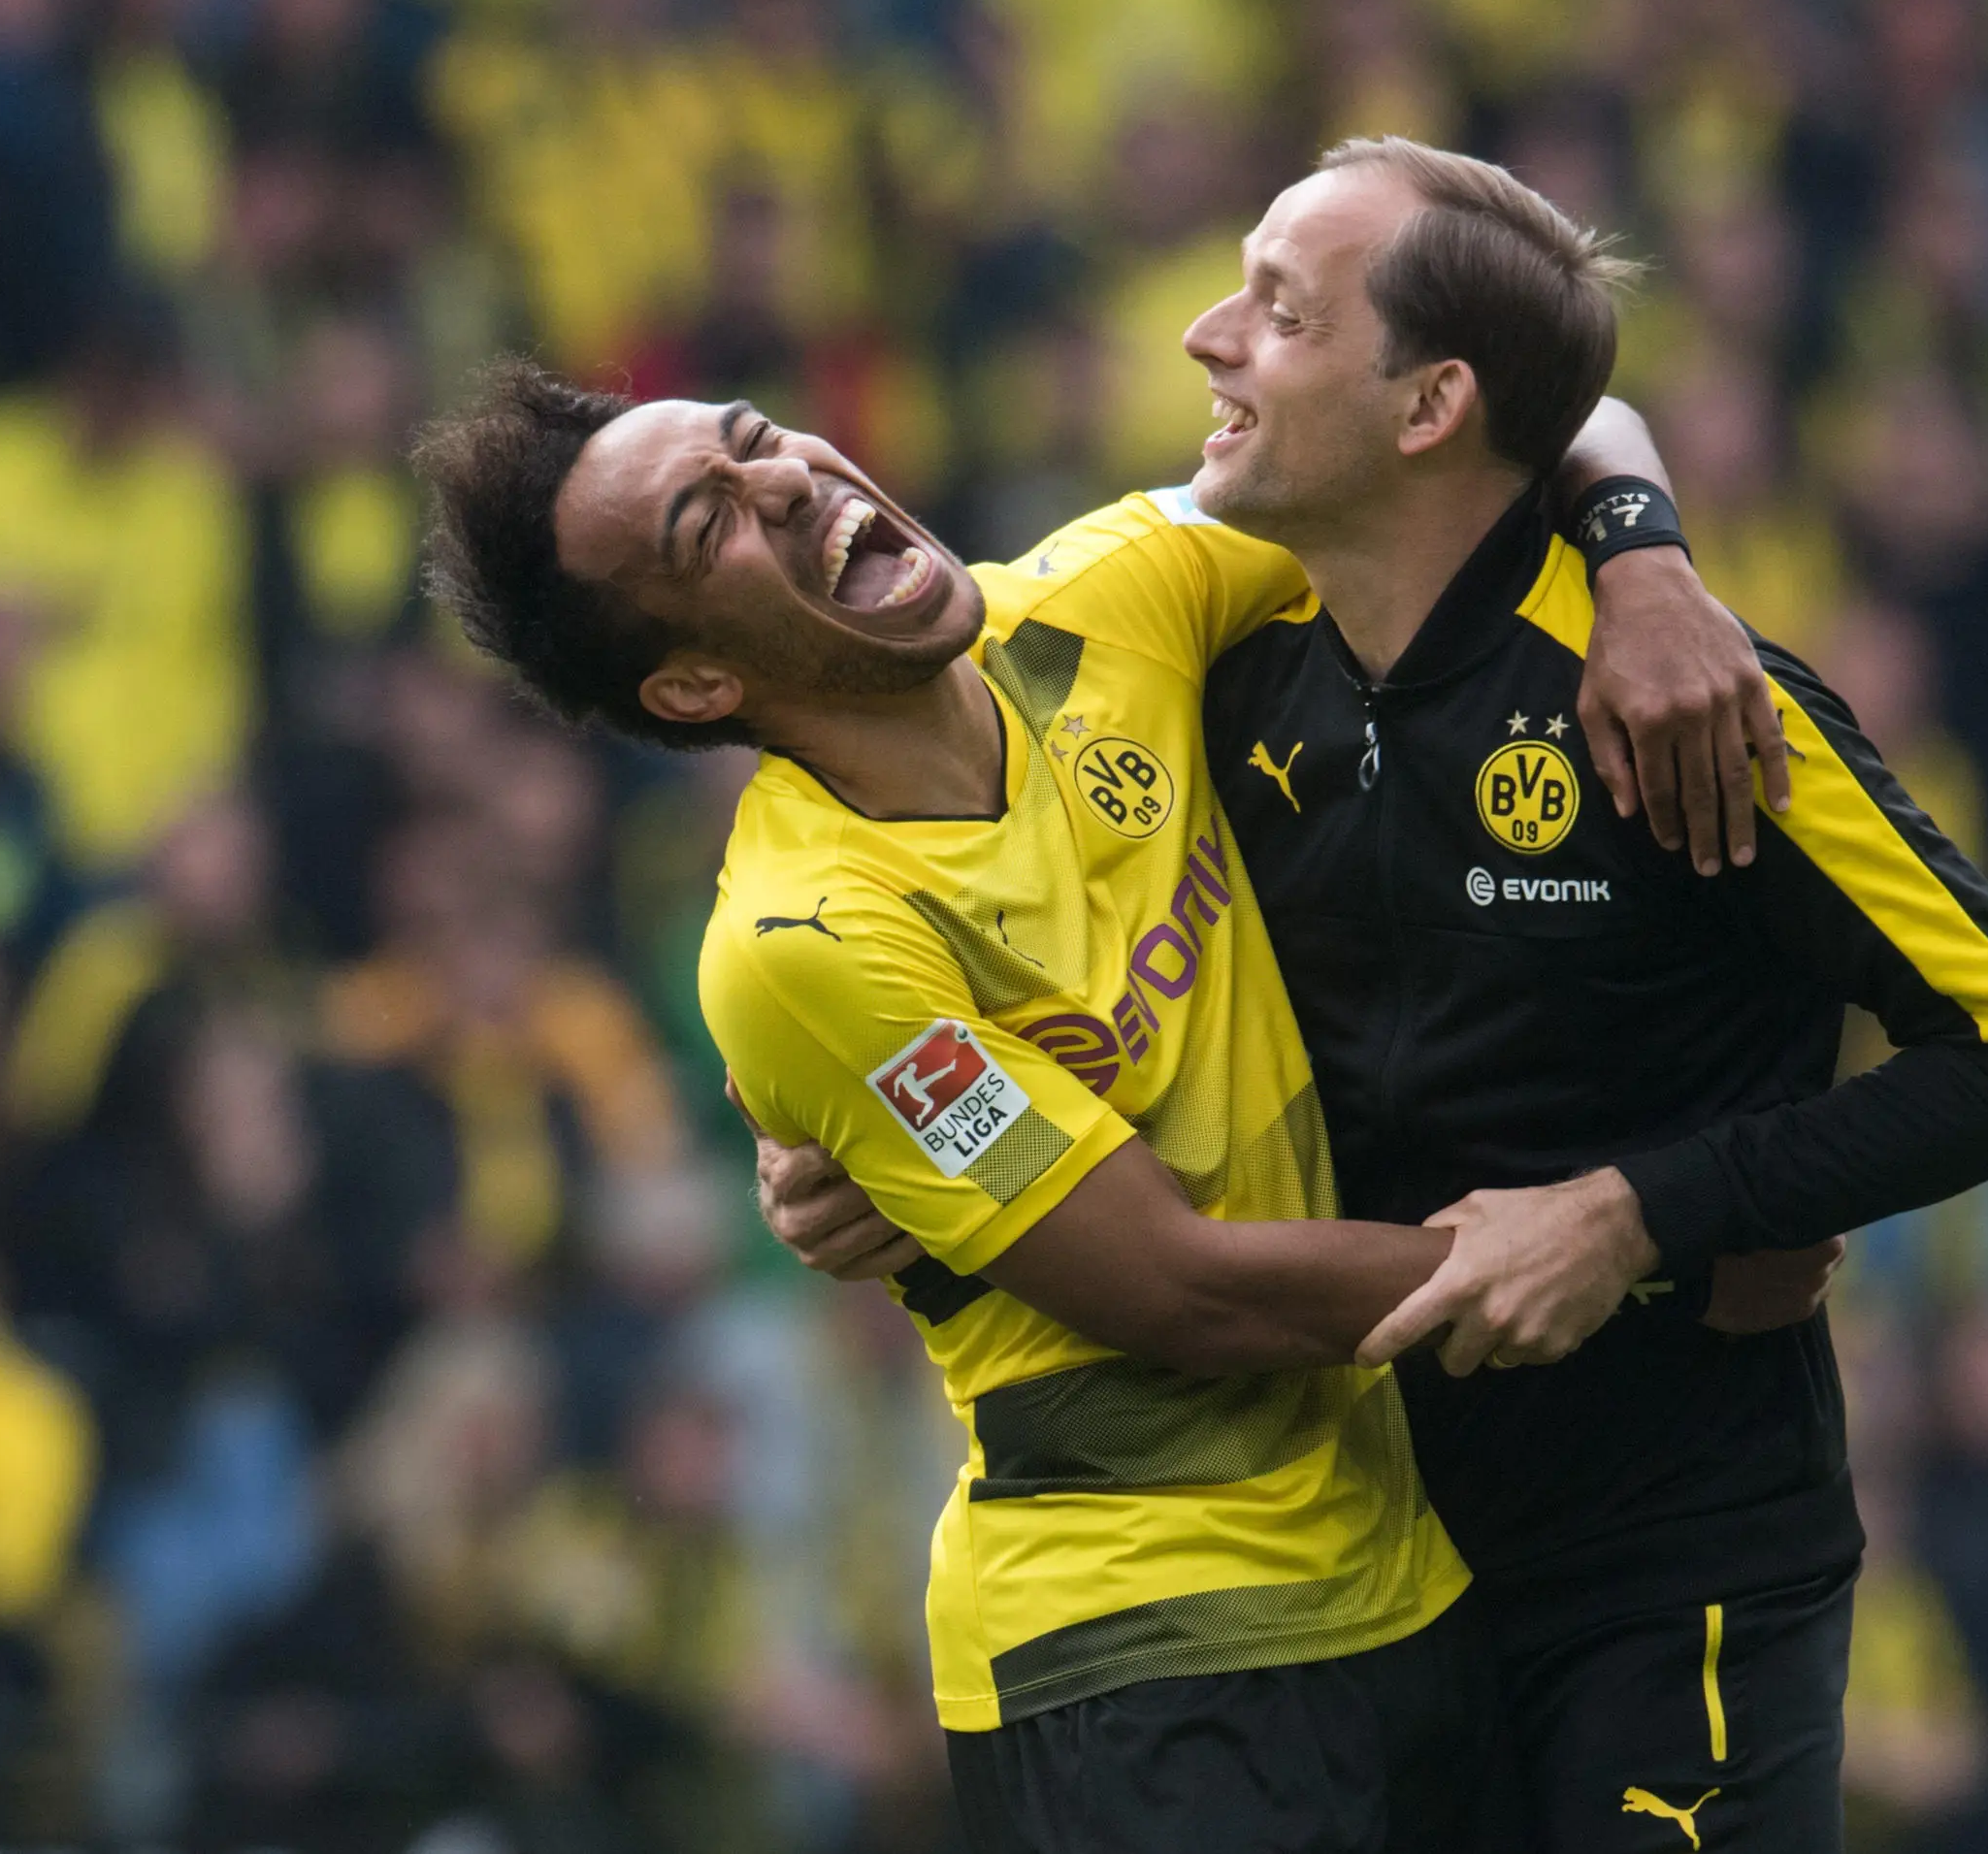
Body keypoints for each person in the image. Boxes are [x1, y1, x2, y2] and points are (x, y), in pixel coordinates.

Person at [761, 136, 1988, 1850]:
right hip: (1368, 1578)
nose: (1202, 337)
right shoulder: (1229, 681)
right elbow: (1059, 949)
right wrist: (852, 1136)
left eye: (1279, 310)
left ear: (1427, 409)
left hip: (1674, 1568)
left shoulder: (1681, 707)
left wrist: (1643, 1213)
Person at [409, 327, 1781, 1845]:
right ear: (693, 682)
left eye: (751, 435)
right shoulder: (808, 941)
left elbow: (1521, 423)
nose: (782, 481)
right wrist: (1641, 1241)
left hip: (1406, 1575)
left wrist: (1649, 571)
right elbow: (1187, 1289)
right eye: (708, 521)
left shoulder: (1109, 590)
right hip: (1143, 1657)